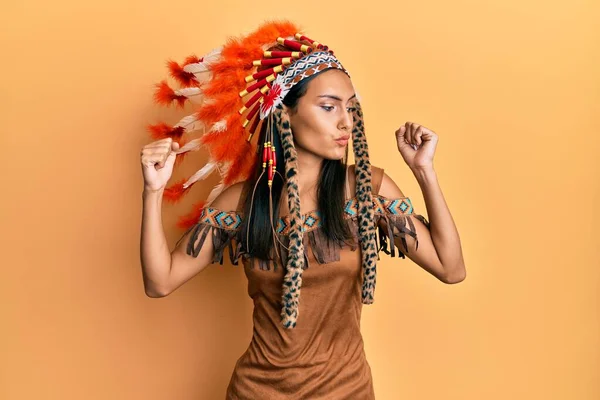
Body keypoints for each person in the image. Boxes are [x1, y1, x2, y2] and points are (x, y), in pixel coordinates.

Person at [139, 20, 466, 399]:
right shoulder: (242, 203)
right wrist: (153, 192)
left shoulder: (365, 190)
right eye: (329, 107)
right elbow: (160, 282)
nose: (346, 122)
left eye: (351, 108)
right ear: (285, 114)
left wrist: (423, 171)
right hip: (256, 392)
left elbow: (450, 268)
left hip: (345, 391)